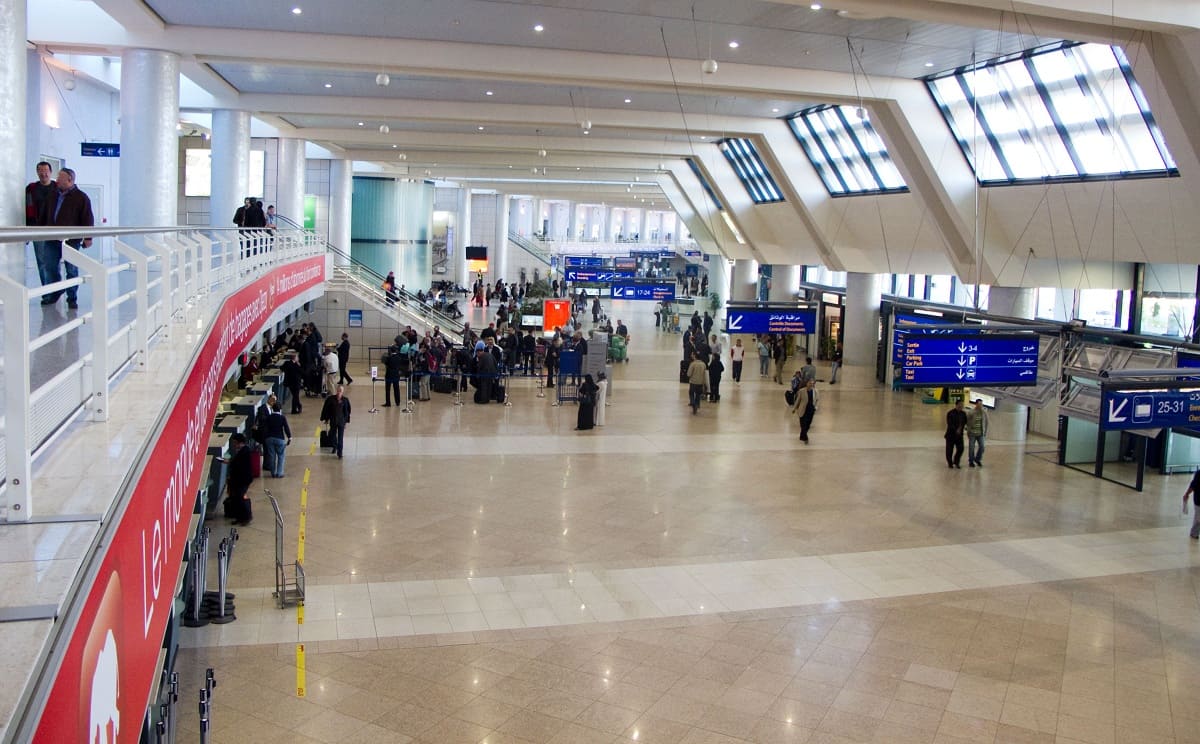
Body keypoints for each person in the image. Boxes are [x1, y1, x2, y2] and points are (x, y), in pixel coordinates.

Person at [39, 168, 94, 310]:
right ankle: (56, 291)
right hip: (51, 238)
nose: (56, 180)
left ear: (70, 180)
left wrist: (88, 237)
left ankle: (72, 298)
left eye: (60, 178)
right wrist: (40, 230)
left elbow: (88, 218)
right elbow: (45, 214)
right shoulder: (52, 195)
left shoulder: (81, 197)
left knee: (71, 270)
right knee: (49, 267)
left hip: (71, 241)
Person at [27, 161, 59, 300]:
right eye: (40, 170)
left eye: (46, 170)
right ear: (37, 172)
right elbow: (27, 209)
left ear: (50, 172)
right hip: (37, 229)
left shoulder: (57, 188)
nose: (43, 173)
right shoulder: (31, 189)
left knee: (54, 262)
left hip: (55, 230)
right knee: (42, 262)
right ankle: (47, 293)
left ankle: (57, 289)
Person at [222, 432, 253, 525]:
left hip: (242, 479)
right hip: (237, 479)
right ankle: (239, 517)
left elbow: (240, 465)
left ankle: (246, 517)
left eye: (235, 442)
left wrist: (230, 462)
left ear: (240, 442)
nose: (234, 445)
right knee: (236, 498)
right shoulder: (242, 451)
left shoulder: (245, 451)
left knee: (241, 497)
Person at [261, 402, 292, 478]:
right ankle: (279, 473)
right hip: (279, 439)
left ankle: (273, 473)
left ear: (272, 409)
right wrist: (289, 437)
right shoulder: (282, 417)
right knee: (281, 456)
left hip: (269, 438)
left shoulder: (269, 417)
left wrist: (264, 438)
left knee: (271, 456)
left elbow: (265, 428)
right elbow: (286, 428)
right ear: (280, 409)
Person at [320, 384, 351, 459]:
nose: (339, 392)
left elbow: (347, 411)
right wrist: (326, 419)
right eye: (338, 390)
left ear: (343, 392)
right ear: (336, 391)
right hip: (333, 421)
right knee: (332, 435)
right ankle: (334, 446)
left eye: (341, 391)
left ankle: (340, 453)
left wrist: (346, 421)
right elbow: (326, 409)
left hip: (341, 422)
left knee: (340, 438)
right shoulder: (331, 399)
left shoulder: (345, 400)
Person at [791, 378, 819, 444]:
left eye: (812, 384)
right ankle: (805, 438)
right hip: (803, 410)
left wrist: (816, 407)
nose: (811, 385)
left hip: (811, 410)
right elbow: (798, 401)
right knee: (803, 425)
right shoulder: (801, 391)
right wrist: (794, 409)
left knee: (808, 425)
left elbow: (817, 400)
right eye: (810, 383)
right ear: (806, 384)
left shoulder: (815, 391)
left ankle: (802, 435)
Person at [966, 399, 989, 467]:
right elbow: (967, 422)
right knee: (971, 448)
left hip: (980, 433)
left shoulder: (984, 412)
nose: (980, 406)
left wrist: (985, 431)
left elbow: (986, 421)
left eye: (981, 404)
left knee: (982, 447)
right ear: (976, 404)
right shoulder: (971, 412)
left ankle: (978, 459)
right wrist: (968, 430)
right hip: (972, 433)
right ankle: (971, 461)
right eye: (979, 404)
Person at [945, 399, 967, 469]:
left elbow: (965, 422)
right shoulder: (950, 413)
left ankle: (956, 461)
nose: (962, 406)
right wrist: (956, 430)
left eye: (962, 405)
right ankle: (950, 463)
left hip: (959, 436)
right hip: (951, 435)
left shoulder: (963, 414)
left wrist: (964, 429)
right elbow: (950, 424)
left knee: (961, 449)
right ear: (957, 405)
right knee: (949, 450)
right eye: (960, 404)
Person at [1184, 469, 1200, 538]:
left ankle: (1194, 533)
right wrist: (1187, 494)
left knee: (1198, 518)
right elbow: (1193, 485)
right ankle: (1194, 533)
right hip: (1199, 499)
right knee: (1198, 518)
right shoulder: (1199, 473)